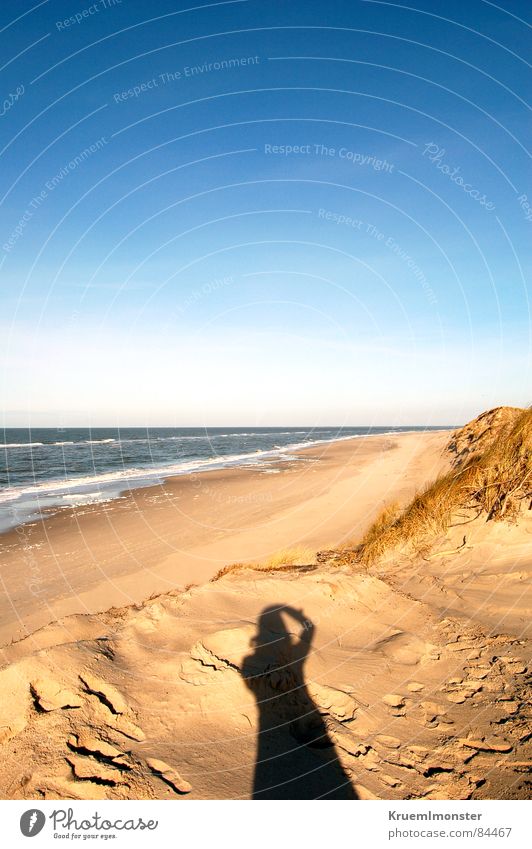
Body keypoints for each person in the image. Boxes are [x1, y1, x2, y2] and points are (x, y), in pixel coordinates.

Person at [242, 604, 357, 799]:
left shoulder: (247, 662)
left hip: (265, 732)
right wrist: (292, 613)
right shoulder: (292, 653)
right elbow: (309, 629)